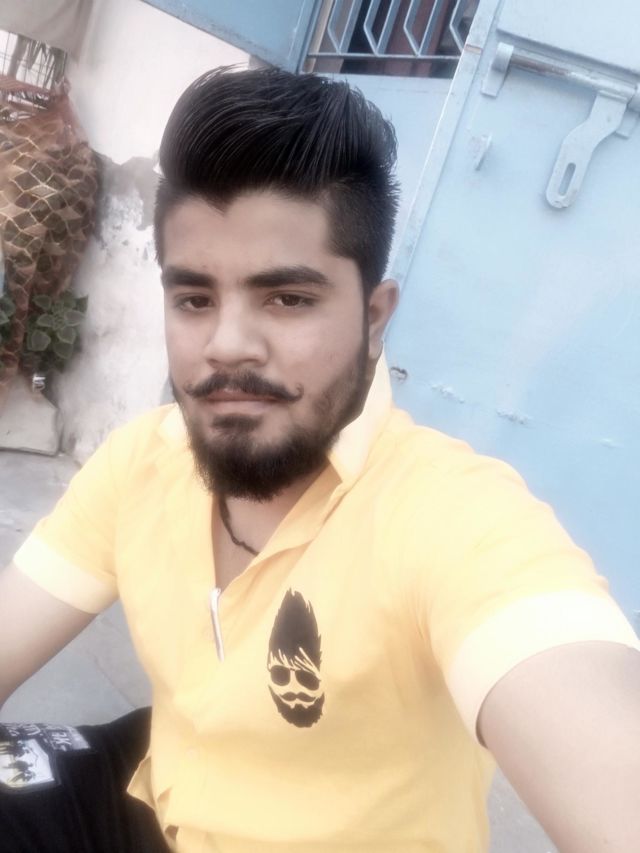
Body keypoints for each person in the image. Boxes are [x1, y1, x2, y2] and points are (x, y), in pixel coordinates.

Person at [0, 66, 639, 853]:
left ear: (374, 320)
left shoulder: (450, 517)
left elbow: (573, 694)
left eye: (288, 298)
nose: (228, 344)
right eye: (195, 299)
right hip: (155, 784)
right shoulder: (144, 461)